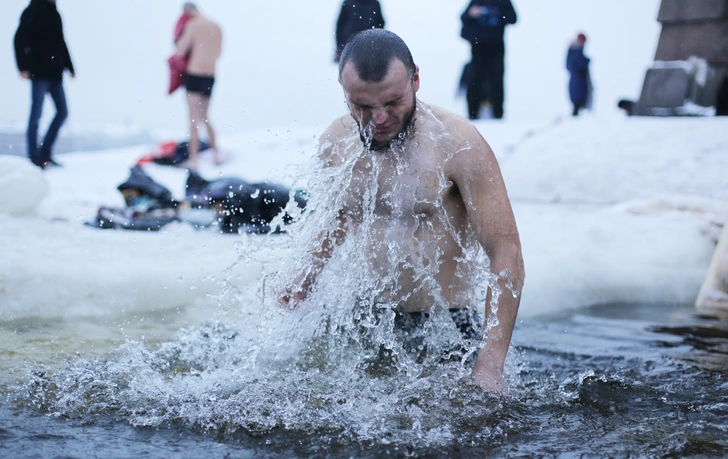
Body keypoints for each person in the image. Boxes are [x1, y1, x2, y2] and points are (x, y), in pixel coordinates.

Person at [277, 29, 524, 392]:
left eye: (392, 102)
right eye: (362, 106)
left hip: (446, 327)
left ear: (416, 80)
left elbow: (507, 251)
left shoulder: (457, 142)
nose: (378, 119)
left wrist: (490, 365)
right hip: (367, 320)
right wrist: (304, 277)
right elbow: (340, 215)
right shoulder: (336, 140)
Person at [13, 0, 75, 169]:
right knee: (36, 115)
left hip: (55, 73)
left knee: (62, 112)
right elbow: (19, 39)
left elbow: (61, 42)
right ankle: (34, 157)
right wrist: (23, 66)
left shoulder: (55, 13)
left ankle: (45, 153)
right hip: (38, 72)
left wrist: (70, 66)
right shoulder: (32, 11)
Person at [174, 2, 223, 170]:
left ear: (187, 12)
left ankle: (193, 159)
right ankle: (216, 153)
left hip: (195, 74)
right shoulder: (216, 26)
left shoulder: (192, 25)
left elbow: (180, 50)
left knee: (193, 117)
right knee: (205, 116)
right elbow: (218, 53)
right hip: (211, 75)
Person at [460, 0, 517, 120]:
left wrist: (495, 13)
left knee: (496, 79)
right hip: (478, 47)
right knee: (475, 79)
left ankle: (498, 114)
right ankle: (473, 114)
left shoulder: (503, 2)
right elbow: (463, 17)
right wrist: (473, 13)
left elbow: (513, 18)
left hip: (496, 47)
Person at [566, 32, 592, 117]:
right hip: (578, 83)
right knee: (577, 105)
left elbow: (568, 66)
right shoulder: (576, 52)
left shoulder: (572, 51)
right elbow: (580, 65)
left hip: (576, 82)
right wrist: (586, 61)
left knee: (577, 106)